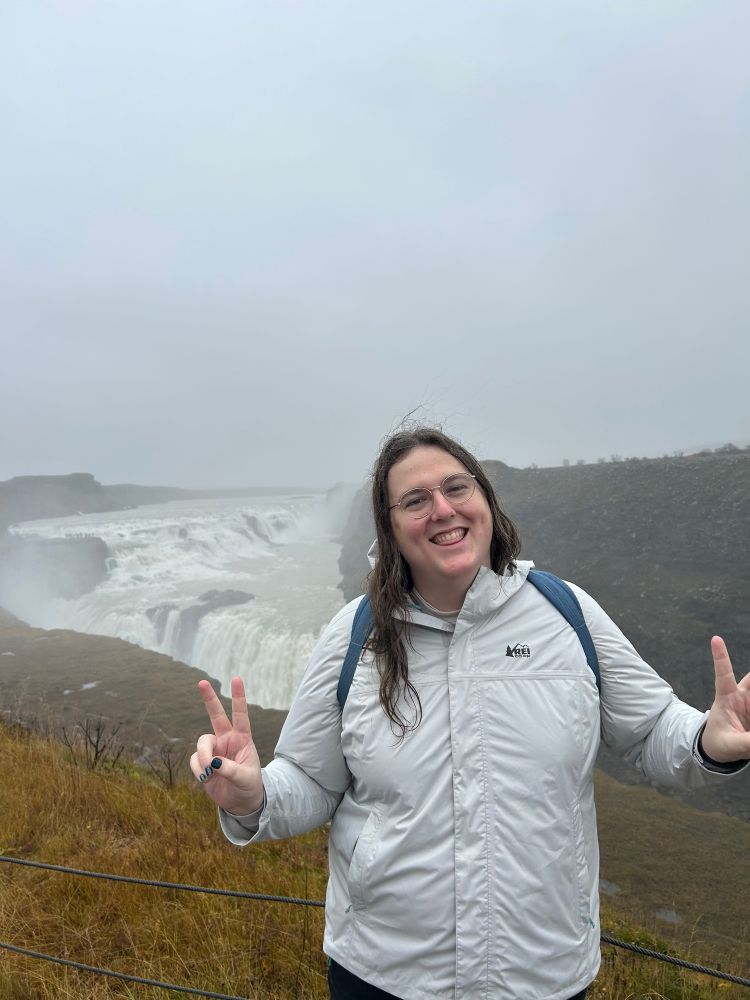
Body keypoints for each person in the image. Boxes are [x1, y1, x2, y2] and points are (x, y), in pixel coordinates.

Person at [191, 427, 750, 1000]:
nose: (442, 510)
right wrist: (254, 799)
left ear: (485, 500)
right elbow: (311, 779)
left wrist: (709, 738)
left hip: (542, 975)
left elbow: (653, 728)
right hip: (384, 975)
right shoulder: (354, 635)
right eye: (415, 500)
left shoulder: (568, 613)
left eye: (456, 488)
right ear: (389, 529)